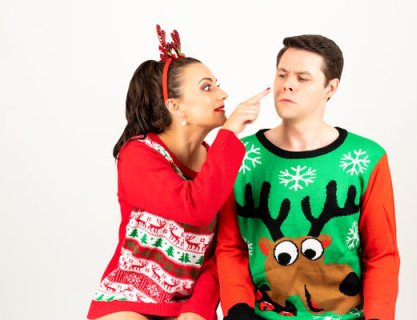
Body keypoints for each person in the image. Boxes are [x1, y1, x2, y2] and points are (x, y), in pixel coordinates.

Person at [87, 25, 270, 320]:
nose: (223, 94)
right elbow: (193, 207)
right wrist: (231, 132)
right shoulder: (137, 155)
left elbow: (218, 253)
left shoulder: (218, 160)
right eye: (207, 87)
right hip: (129, 299)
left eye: (217, 84)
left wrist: (197, 310)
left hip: (189, 304)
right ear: (175, 106)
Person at [216, 34, 400, 320]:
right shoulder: (240, 156)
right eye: (282, 74)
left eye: (303, 78)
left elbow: (381, 254)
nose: (288, 84)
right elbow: (230, 246)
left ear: (330, 87)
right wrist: (238, 312)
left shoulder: (367, 158)